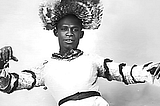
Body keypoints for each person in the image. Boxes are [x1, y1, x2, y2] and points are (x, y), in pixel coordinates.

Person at [0, 0, 160, 106]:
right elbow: (11, 84)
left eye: (74, 29)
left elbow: (125, 73)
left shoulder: (92, 60)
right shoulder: (45, 68)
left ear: (81, 34)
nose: (69, 33)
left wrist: (151, 71)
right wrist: (1, 65)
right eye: (64, 29)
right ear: (56, 32)